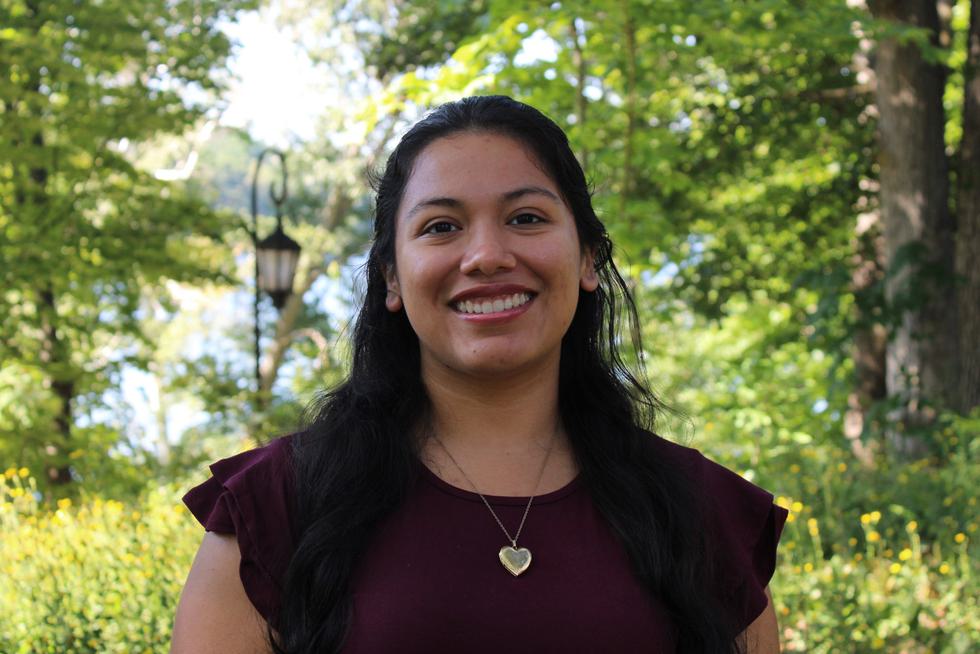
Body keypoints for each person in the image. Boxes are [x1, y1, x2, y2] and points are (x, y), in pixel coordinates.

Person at [171, 95, 787, 654]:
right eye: (441, 227)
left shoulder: (704, 513)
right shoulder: (276, 510)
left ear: (587, 258)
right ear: (391, 276)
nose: (487, 255)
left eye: (526, 218)